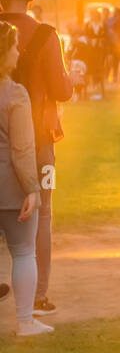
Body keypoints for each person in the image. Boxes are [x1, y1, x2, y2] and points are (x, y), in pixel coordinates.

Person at [0, 0, 71, 318]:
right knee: (42, 213)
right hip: (41, 139)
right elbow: (62, 89)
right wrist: (74, 78)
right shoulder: (46, 34)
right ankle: (39, 296)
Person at [0, 20, 50, 335]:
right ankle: (25, 322)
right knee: (23, 252)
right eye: (15, 46)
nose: (19, 52)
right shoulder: (15, 93)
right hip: (10, 185)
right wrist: (33, 189)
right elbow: (22, 149)